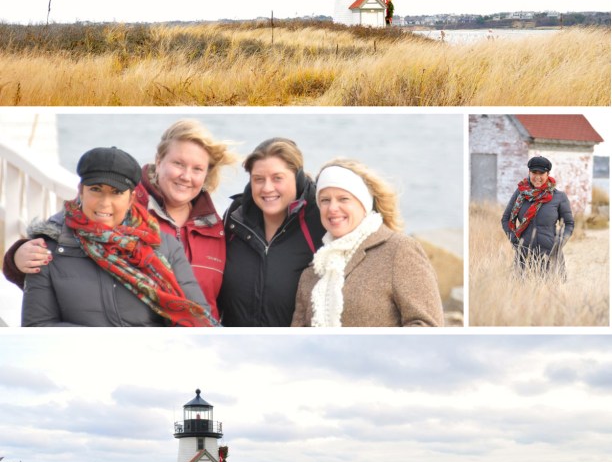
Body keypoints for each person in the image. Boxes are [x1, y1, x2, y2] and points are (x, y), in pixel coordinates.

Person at [5, 119, 236, 321]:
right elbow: (64, 228)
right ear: (159, 160)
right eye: (178, 163)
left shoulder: (218, 228)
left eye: (197, 169)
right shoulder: (122, 204)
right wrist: (16, 256)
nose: (186, 176)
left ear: (207, 173)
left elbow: (233, 297)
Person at [291, 158, 444, 327]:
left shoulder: (399, 250)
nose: (332, 208)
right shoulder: (313, 272)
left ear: (364, 203)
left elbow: (428, 325)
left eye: (343, 199)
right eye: (325, 200)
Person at [217, 138, 326, 326]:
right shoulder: (235, 218)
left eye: (278, 178)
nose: (267, 188)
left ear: (297, 176)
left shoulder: (321, 220)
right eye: (258, 179)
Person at [501, 155, 574, 275]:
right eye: (534, 172)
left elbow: (569, 224)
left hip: (551, 257)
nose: (537, 177)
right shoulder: (520, 194)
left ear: (548, 174)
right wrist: (515, 241)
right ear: (529, 172)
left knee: (550, 293)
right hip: (524, 257)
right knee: (521, 292)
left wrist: (559, 242)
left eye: (542, 173)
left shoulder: (559, 197)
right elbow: (505, 219)